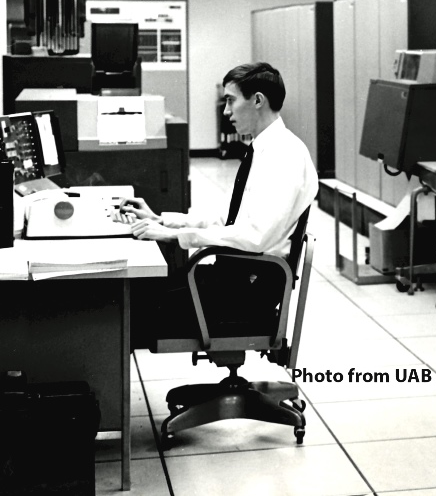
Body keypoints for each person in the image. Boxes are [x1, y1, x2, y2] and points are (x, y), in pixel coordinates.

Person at [124, 62, 318, 347]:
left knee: (134, 305)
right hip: (239, 275)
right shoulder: (266, 149)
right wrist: (164, 221)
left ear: (258, 100)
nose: (226, 111)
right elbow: (231, 219)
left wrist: (177, 237)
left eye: (230, 100)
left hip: (250, 289)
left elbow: (254, 236)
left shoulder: (284, 157)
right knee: (144, 289)